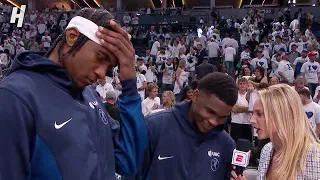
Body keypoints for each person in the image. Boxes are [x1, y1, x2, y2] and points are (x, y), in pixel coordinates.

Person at [0, 8, 148, 179]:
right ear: (72, 37)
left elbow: (128, 161)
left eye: (108, 67)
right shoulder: (16, 96)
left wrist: (130, 85)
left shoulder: (90, 96)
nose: (102, 73)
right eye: (100, 58)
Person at [140, 72, 238, 179]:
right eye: (210, 112)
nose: (214, 122)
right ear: (195, 96)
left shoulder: (227, 145)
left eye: (222, 117)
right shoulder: (154, 126)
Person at [231, 84, 320, 180]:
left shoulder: (314, 156)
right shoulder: (267, 149)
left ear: (281, 115)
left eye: (259, 114)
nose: (252, 120)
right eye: (253, 113)